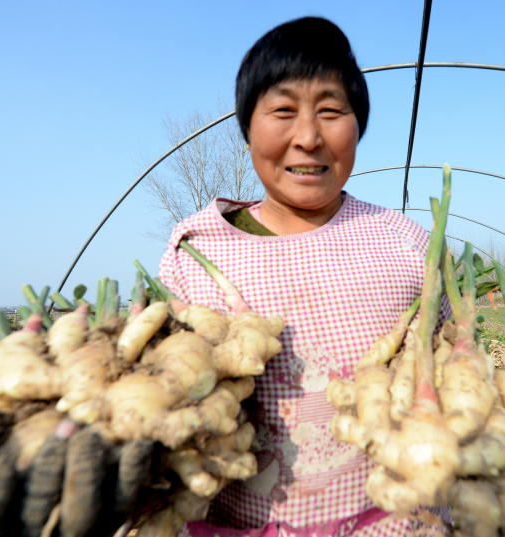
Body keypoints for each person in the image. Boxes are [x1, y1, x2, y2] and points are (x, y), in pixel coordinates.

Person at [158, 17, 452, 537]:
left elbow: (448, 364)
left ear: (358, 126)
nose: (309, 137)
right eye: (283, 111)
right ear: (248, 127)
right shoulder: (198, 249)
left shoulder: (407, 242)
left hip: (400, 520)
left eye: (332, 112)